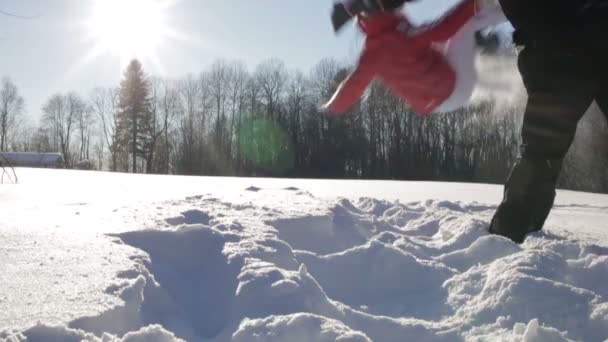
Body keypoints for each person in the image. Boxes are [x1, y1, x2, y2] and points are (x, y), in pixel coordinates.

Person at [489, 0, 608, 243]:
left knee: (541, 151)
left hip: (562, 44)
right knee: (541, 151)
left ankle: (509, 236)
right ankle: (507, 240)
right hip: (560, 44)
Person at [323, 0, 506, 116]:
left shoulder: (372, 52)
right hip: (455, 88)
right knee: (467, 21)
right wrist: (473, 4)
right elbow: (442, 29)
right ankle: (513, 12)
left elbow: (356, 82)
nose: (402, 9)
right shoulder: (401, 35)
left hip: (436, 101)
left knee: (431, 45)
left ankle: (477, 44)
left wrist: (334, 105)